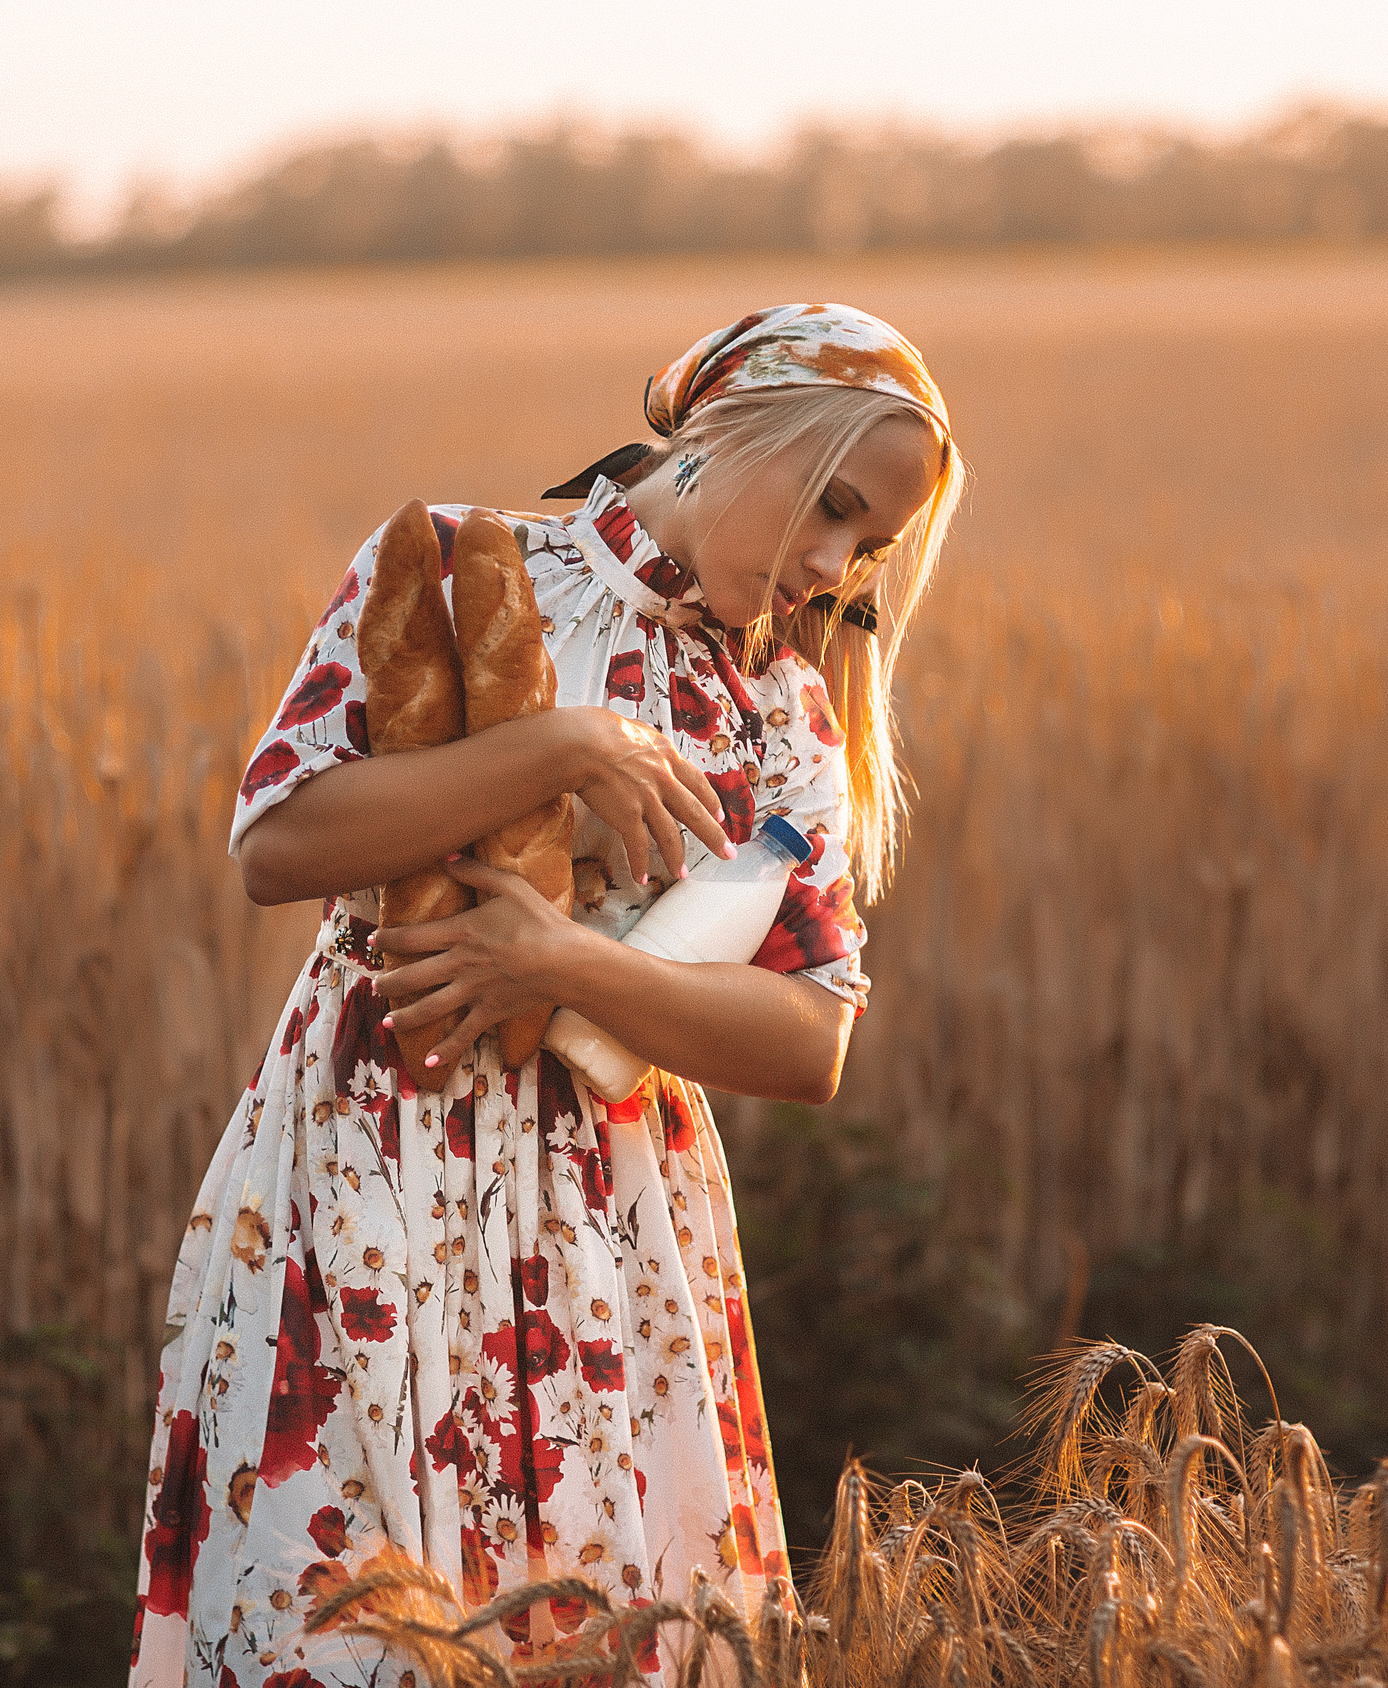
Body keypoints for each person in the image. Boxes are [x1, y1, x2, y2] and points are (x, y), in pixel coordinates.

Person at [130, 305, 967, 1688]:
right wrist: (562, 747)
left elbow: (813, 1039)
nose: (832, 566)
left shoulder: (786, 715)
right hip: (361, 1178)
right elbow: (279, 843)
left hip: (611, 1230)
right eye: (830, 508)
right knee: (342, 1629)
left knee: (592, 1632)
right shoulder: (458, 569)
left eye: (868, 545)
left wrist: (570, 966)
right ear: (728, 428)